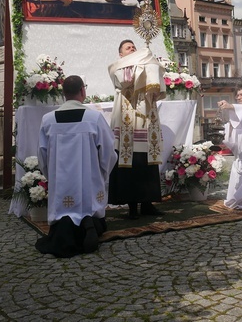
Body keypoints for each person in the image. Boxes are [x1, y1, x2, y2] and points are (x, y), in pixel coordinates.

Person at [34, 76, 117, 258]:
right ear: (83, 91)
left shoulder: (48, 120)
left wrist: (52, 176)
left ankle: (70, 229)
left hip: (61, 184)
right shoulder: (93, 118)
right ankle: (89, 223)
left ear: (64, 94)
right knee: (91, 210)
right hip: (89, 181)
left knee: (64, 216)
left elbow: (42, 155)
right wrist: (103, 174)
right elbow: (109, 151)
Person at [107, 40, 166, 219]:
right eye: (128, 48)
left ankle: (147, 204)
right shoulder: (116, 67)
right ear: (121, 54)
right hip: (127, 119)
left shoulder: (145, 62)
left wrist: (151, 65)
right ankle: (132, 207)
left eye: (134, 47)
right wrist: (144, 65)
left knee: (147, 159)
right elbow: (126, 82)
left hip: (146, 117)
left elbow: (157, 84)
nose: (132, 49)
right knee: (129, 162)